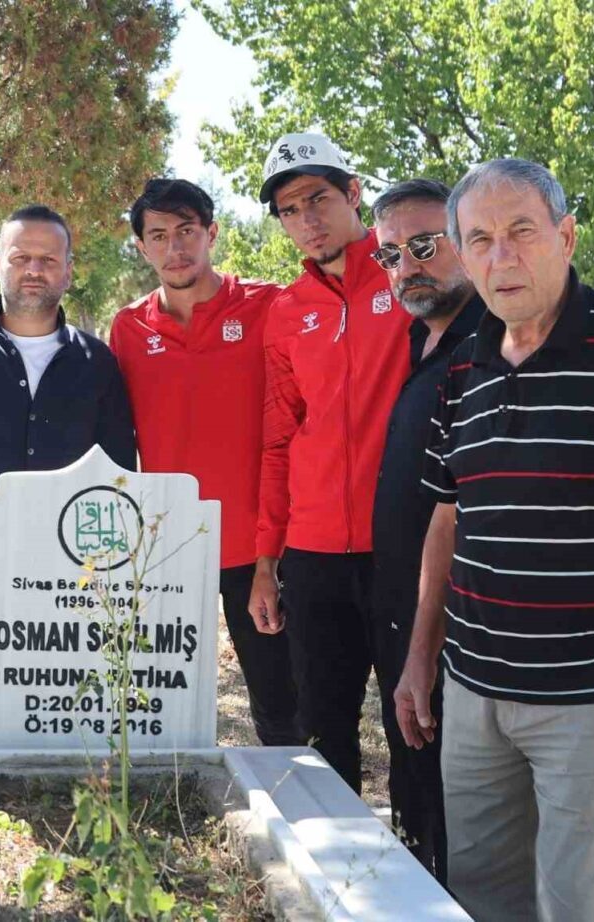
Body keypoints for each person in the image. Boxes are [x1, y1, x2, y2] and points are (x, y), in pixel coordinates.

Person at [396, 159, 594, 921]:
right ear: (463, 256)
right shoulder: (461, 371)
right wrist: (419, 659)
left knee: (583, 910)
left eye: (521, 233)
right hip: (475, 699)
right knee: (479, 901)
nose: (501, 257)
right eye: (479, 240)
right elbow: (447, 522)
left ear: (565, 237)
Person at [0, 204, 135, 745]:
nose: (33, 270)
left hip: (74, 583)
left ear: (69, 269)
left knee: (68, 732)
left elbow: (118, 477)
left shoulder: (98, 362)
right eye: (21, 257)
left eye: (48, 258)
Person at [249, 132, 412, 792]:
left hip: (399, 547)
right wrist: (267, 562)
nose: (306, 219)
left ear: (353, 193)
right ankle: (335, 875)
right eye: (289, 210)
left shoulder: (408, 276)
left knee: (416, 722)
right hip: (313, 556)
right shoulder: (288, 311)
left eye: (317, 198)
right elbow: (278, 440)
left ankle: (427, 869)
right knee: (321, 728)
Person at [110, 177, 298, 745]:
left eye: (187, 231)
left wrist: (273, 553)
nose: (176, 247)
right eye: (159, 235)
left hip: (260, 546)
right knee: (164, 708)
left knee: (281, 705)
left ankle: (295, 818)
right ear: (143, 248)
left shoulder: (270, 306)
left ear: (212, 233)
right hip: (171, 549)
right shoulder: (128, 328)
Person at [368, 178, 485, 879]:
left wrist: (425, 643)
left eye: (422, 245)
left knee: (463, 825)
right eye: (390, 255)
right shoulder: (413, 344)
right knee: (414, 803)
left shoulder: (491, 348)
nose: (406, 266)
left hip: (455, 634)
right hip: (399, 621)